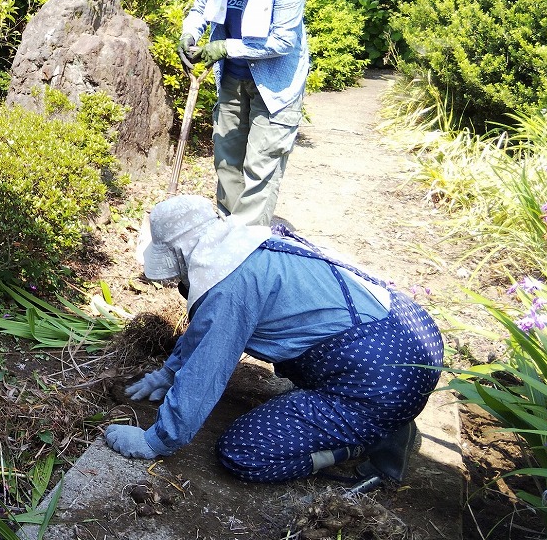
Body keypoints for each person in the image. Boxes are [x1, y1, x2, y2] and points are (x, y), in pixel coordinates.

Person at [102, 195, 443, 484]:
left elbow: (208, 370)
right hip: (410, 338)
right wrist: (169, 373)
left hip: (378, 382)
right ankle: (385, 419)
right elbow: (207, 329)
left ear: (178, 252)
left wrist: (158, 440)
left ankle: (369, 439)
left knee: (244, 453)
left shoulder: (231, 287)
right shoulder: (247, 247)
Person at [178, 0, 309, 227]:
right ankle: (228, 231)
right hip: (233, 80)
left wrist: (225, 47)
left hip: (275, 85)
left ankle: (246, 246)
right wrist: (190, 31)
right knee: (227, 157)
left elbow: (282, 42)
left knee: (261, 164)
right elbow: (199, 8)